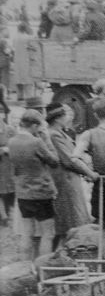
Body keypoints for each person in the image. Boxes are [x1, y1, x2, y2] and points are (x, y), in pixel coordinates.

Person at [8, 110, 59, 260]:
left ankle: (24, 268)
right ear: (35, 125)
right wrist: (47, 139)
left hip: (23, 192)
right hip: (41, 192)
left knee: (27, 233)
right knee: (47, 233)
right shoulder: (36, 142)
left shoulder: (12, 142)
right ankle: (43, 269)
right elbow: (54, 161)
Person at [46, 103, 95, 248]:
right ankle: (68, 249)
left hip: (69, 179)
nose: (68, 118)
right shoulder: (55, 135)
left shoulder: (59, 133)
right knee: (70, 218)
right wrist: (89, 173)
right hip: (65, 181)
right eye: (65, 115)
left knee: (71, 217)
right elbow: (69, 160)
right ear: (57, 119)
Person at [73, 98, 105, 229]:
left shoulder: (89, 134)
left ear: (96, 115)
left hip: (101, 182)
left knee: (103, 223)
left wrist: (90, 173)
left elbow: (74, 158)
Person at [0, 111, 15, 225]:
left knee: (10, 190)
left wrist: (7, 149)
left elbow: (17, 145)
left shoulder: (10, 130)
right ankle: (4, 215)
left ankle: (10, 213)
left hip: (8, 164)